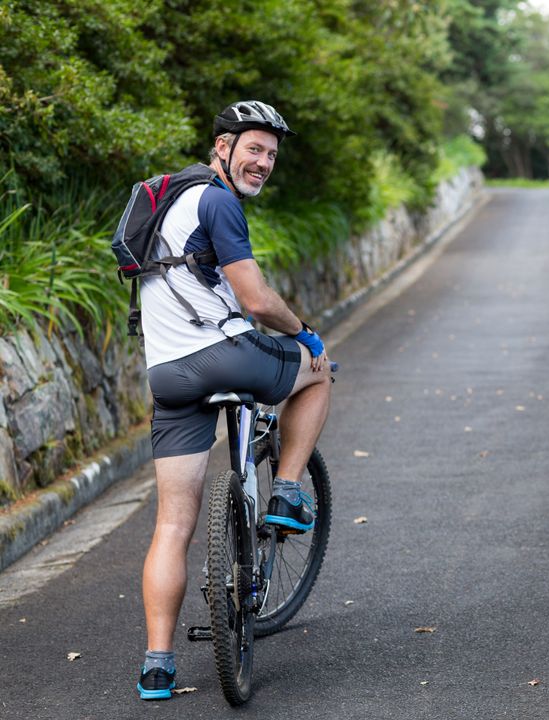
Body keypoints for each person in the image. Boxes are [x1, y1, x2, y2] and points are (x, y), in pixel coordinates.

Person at [136, 101, 332, 700]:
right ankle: (289, 490)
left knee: (172, 524)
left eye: (272, 154)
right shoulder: (218, 200)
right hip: (221, 355)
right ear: (221, 146)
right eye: (254, 148)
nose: (264, 162)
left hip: (166, 373)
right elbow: (255, 300)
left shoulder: (172, 201)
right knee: (319, 373)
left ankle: (157, 665)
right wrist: (303, 333)